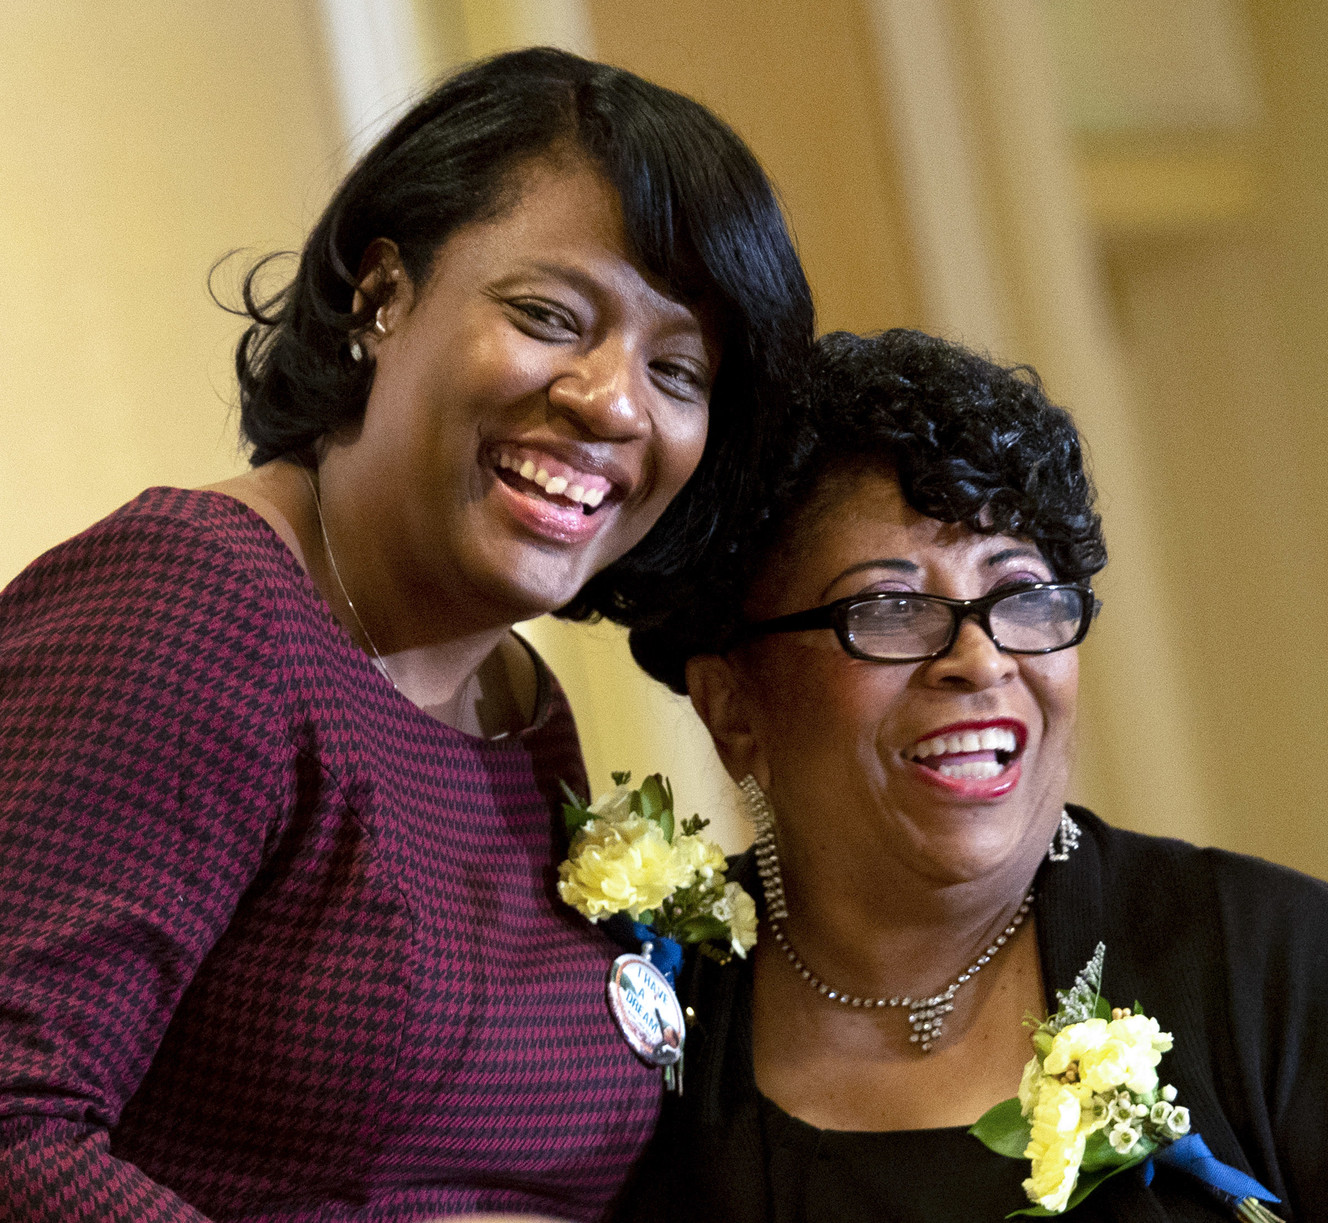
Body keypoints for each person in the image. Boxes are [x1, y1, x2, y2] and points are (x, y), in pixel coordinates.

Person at [0, 48, 813, 1223]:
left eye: (677, 369)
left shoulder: (517, 709)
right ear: (383, 293)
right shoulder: (193, 607)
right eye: (549, 315)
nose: (612, 401)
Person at [618, 329, 1328, 1222]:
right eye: (891, 608)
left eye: (1021, 594)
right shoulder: (644, 1020)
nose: (979, 659)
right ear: (733, 708)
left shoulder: (1274, 968)